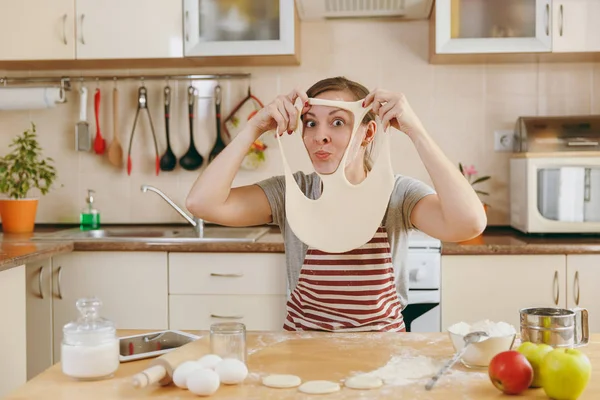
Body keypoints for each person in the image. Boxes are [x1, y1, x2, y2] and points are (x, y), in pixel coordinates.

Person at [186, 77, 487, 332]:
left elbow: (469, 223)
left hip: (384, 348)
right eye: (311, 123)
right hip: (304, 349)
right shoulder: (292, 191)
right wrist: (254, 128)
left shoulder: (398, 194)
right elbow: (202, 204)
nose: (320, 137)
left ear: (368, 133)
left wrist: (415, 130)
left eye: (338, 122)